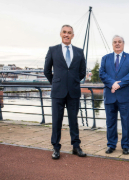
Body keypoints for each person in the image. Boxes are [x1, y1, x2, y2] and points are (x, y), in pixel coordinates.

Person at [44, 25, 86, 159]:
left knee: (74, 121)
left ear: (73, 35)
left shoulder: (79, 51)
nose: (67, 35)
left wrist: (72, 81)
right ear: (60, 34)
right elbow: (46, 71)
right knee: (56, 121)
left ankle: (76, 147)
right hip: (57, 92)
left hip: (73, 92)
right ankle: (56, 148)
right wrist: (56, 82)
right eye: (64, 32)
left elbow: (82, 72)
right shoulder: (53, 50)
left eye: (69, 33)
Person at [99, 35, 129, 155]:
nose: (117, 44)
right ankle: (111, 145)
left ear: (123, 43)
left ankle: (125, 145)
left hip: (126, 96)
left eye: (119, 42)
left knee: (127, 122)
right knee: (110, 122)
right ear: (112, 44)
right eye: (115, 42)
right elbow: (102, 73)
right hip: (110, 95)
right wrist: (112, 83)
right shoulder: (105, 58)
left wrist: (119, 84)